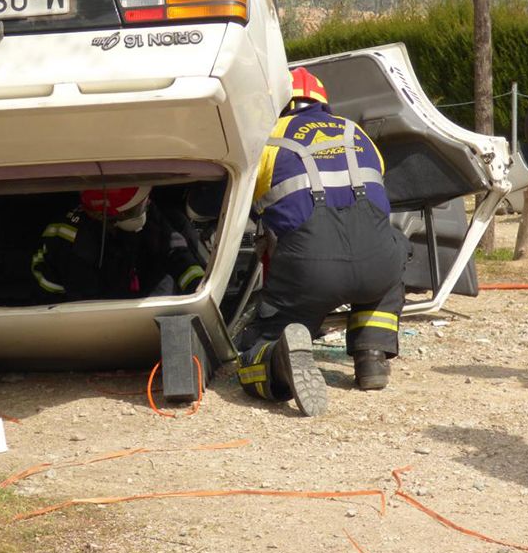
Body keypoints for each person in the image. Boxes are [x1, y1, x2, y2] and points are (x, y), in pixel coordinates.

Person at [237, 67, 408, 416]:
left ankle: (277, 360)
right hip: (378, 263)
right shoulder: (355, 132)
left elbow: (233, 204)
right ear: (322, 102)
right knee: (395, 249)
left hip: (309, 273)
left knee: (255, 349)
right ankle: (371, 355)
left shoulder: (266, 139)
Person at [31, 186, 205, 301]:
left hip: (124, 282)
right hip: (67, 305)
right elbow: (90, 305)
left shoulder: (144, 214)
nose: (148, 206)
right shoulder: (76, 244)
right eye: (141, 206)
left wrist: (198, 287)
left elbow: (176, 252)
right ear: (111, 216)